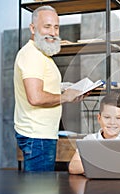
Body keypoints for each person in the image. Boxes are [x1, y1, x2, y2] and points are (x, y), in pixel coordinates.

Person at [14, 5, 87, 171]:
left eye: (56, 27)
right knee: (39, 191)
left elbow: (41, 84)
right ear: (33, 28)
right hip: (37, 136)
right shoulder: (32, 55)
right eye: (47, 26)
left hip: (42, 135)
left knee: (42, 190)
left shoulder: (41, 54)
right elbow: (35, 97)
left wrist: (64, 88)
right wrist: (65, 97)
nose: (53, 33)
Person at [68, 93, 120, 174]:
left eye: (118, 118)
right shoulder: (89, 140)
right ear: (99, 118)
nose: (112, 122)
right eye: (107, 117)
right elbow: (73, 167)